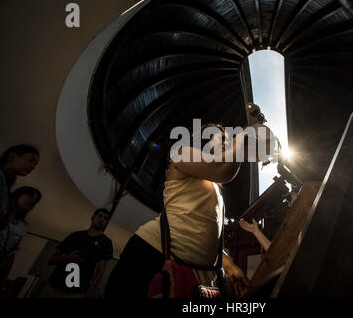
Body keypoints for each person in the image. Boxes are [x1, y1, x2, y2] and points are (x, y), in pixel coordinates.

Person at [105, 121, 276, 298]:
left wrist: (229, 266)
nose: (228, 140)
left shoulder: (213, 185)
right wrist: (243, 136)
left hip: (198, 270)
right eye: (222, 137)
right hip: (151, 252)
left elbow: (207, 235)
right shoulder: (182, 154)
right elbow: (222, 169)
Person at [40, 208, 113, 298]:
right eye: (100, 216)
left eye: (105, 218)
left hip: (76, 293)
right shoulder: (75, 235)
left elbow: (100, 272)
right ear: (92, 217)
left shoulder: (106, 243)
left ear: (106, 223)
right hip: (53, 287)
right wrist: (67, 258)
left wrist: (87, 294)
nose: (102, 220)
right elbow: (51, 260)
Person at [0, 186, 41, 293]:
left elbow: (11, 254)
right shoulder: (1, 213)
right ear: (18, 195)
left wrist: (3, 278)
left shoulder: (22, 226)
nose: (32, 201)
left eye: (36, 200)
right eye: (30, 196)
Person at [0, 145, 39, 226]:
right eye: (30, 161)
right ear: (12, 157)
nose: (33, 167)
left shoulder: (6, 182)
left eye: (35, 164)